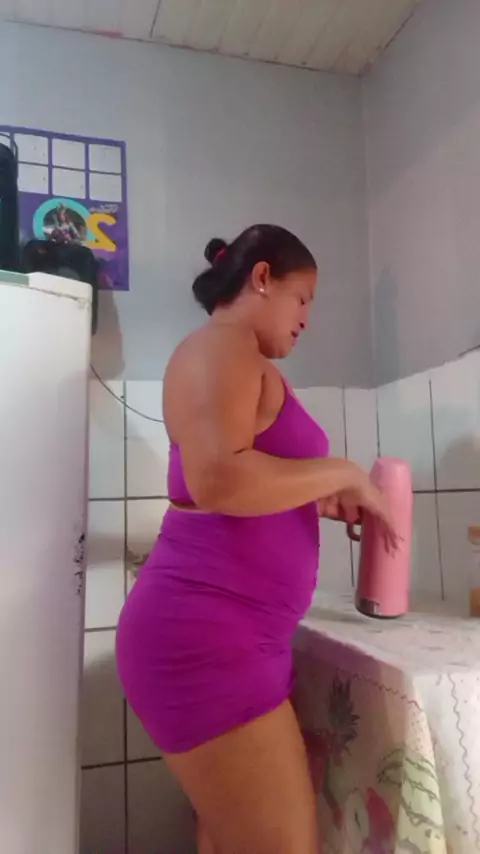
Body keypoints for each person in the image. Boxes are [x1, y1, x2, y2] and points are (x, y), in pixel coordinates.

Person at [116, 224, 397, 854]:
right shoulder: (221, 347)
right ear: (262, 278)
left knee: (231, 837)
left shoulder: (241, 360)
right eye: (303, 299)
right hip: (207, 639)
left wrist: (313, 498)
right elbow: (217, 479)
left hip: (232, 635)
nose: (307, 319)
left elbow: (240, 484)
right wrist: (343, 472)